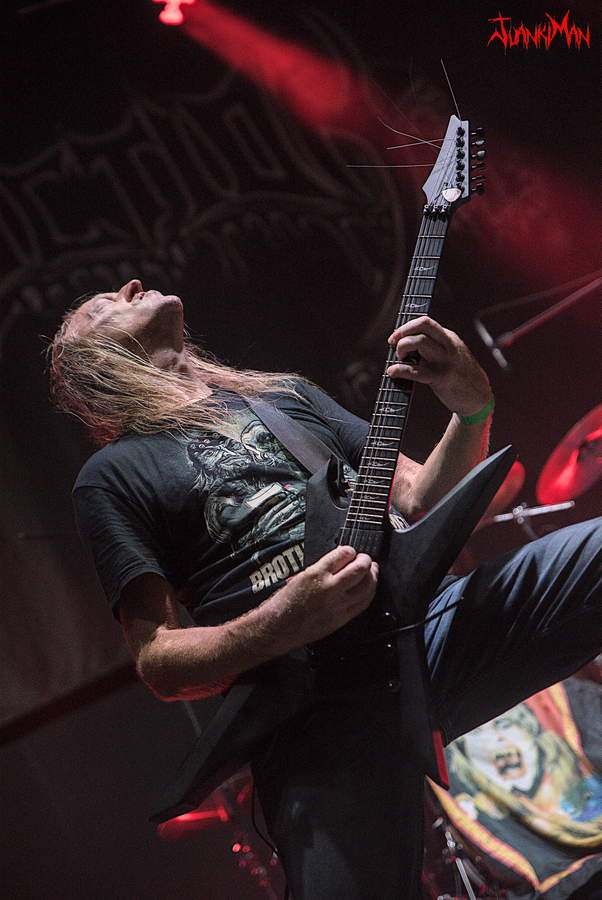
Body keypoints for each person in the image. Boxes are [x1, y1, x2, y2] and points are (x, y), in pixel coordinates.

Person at [49, 278, 601, 900]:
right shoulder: (111, 477)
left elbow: (418, 499)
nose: (128, 286)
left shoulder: (282, 396)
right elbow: (159, 661)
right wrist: (283, 620)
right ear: (97, 363)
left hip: (424, 624)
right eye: (100, 307)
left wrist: (471, 408)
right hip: (314, 712)